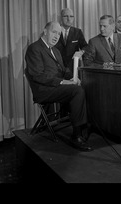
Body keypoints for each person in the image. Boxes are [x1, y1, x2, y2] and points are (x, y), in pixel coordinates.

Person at [25, 21, 93, 151]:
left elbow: (63, 71)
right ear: (45, 31)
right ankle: (77, 135)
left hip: (55, 88)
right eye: (54, 32)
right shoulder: (34, 48)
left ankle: (83, 126)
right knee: (77, 91)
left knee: (83, 87)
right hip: (43, 90)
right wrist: (63, 82)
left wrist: (73, 78)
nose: (56, 36)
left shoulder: (55, 50)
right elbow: (38, 76)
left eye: (59, 34)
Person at [55, 8, 88, 74]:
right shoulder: (55, 31)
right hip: (56, 68)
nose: (69, 19)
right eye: (66, 16)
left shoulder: (77, 32)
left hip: (73, 69)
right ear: (60, 18)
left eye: (71, 16)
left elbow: (86, 47)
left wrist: (81, 52)